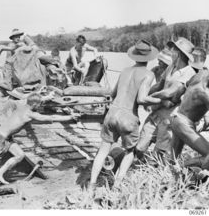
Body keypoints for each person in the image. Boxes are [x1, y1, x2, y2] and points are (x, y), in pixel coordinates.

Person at [0, 92, 80, 188]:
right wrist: (69, 117)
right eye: (39, 105)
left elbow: (33, 99)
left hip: (1, 135)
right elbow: (51, 117)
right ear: (35, 105)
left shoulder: (22, 105)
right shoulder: (29, 114)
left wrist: (47, 97)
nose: (40, 107)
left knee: (19, 155)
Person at [89, 40, 161, 193]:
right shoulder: (149, 74)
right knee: (130, 152)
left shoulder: (125, 70)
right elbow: (141, 99)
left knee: (103, 150)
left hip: (112, 113)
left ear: (134, 56)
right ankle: (117, 186)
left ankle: (91, 185)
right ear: (149, 58)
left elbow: (113, 94)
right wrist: (160, 99)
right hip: (128, 117)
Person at [136, 37, 196, 158]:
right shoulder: (171, 67)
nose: (171, 52)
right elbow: (159, 85)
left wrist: (147, 99)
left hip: (169, 118)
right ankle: (138, 165)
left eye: (173, 50)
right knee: (140, 146)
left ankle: (153, 172)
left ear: (178, 54)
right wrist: (144, 94)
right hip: (157, 112)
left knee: (159, 152)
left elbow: (170, 92)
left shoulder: (189, 72)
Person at [170, 48, 209, 167]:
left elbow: (180, 91)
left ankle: (171, 179)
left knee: (173, 158)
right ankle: (183, 167)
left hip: (176, 116)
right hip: (183, 124)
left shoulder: (200, 75)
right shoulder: (204, 94)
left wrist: (175, 100)